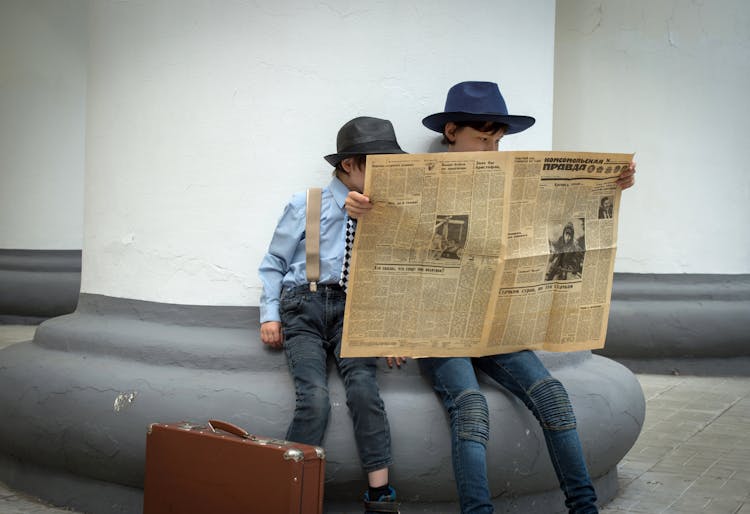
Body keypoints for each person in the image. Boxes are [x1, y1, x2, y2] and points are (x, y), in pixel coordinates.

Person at [345, 81, 636, 514]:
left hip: (498, 323)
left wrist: (610, 185)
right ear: (451, 133)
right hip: (438, 328)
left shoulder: (511, 175)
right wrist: (361, 209)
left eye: (497, 141)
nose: (491, 149)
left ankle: (584, 508)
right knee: (471, 408)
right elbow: (378, 252)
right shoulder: (414, 179)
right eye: (482, 139)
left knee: (553, 395)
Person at [259, 116, 406, 514]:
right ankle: (288, 493)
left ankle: (380, 497)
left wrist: (389, 328)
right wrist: (269, 315)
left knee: (364, 391)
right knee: (315, 399)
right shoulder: (306, 204)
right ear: (348, 166)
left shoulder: (387, 211)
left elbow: (395, 273)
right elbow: (274, 261)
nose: (382, 176)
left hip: (354, 309)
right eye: (374, 166)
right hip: (303, 307)